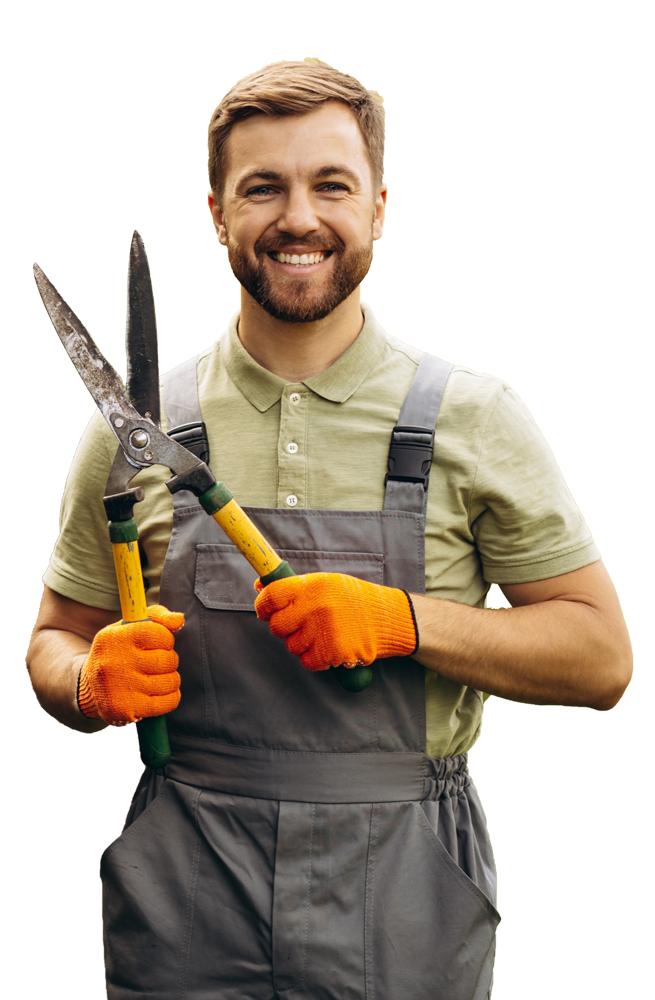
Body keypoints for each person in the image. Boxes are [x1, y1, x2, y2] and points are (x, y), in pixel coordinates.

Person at [27, 60, 633, 1000]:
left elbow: (599, 658)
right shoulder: (139, 429)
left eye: (331, 184)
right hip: (187, 886)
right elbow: (55, 640)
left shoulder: (473, 418)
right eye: (262, 187)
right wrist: (88, 678)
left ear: (377, 207)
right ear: (218, 214)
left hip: (402, 891)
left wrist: (405, 624)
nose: (297, 217)